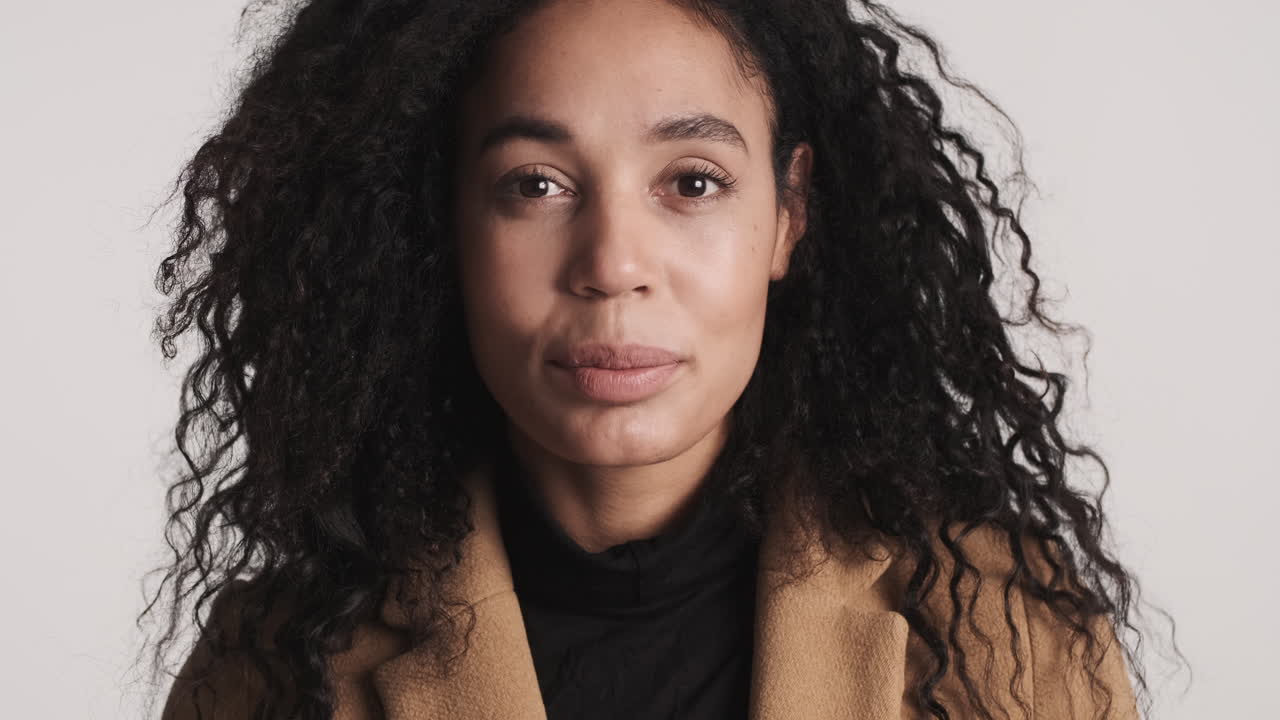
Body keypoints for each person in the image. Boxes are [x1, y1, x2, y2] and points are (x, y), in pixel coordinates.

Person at [142, 0, 1167, 718]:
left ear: (789, 213)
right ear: (442, 223)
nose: (612, 265)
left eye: (692, 181)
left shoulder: (1004, 635)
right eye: (534, 185)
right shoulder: (272, 671)